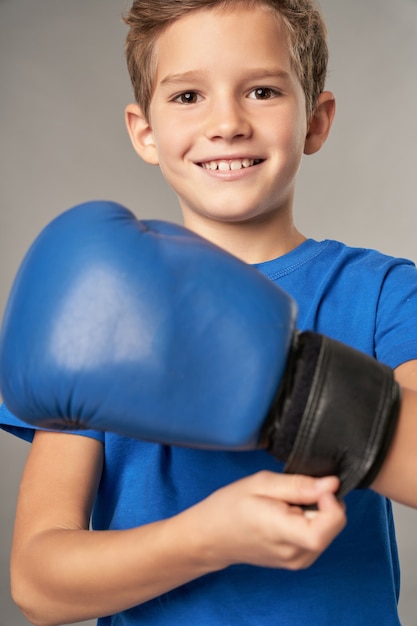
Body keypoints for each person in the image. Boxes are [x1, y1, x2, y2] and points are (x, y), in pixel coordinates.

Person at [1, 0, 417, 624]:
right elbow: (38, 583)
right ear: (144, 131)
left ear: (317, 120)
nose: (227, 123)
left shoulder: (383, 289)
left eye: (261, 90)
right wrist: (205, 540)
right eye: (188, 96)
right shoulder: (103, 305)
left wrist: (293, 389)